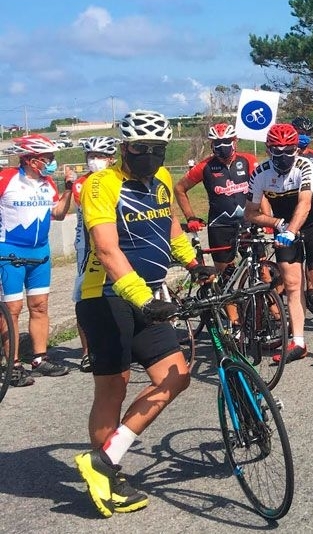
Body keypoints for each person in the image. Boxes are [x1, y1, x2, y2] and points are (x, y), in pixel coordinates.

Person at [73, 110, 215, 517]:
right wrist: (142, 296)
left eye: (157, 149)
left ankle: (102, 459)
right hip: (105, 297)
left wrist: (191, 261)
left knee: (177, 375)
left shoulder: (162, 180)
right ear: (124, 146)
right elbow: (106, 248)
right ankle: (107, 475)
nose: (149, 156)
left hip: (148, 295)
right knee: (113, 386)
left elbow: (168, 226)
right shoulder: (102, 184)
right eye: (140, 148)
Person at [246, 123, 313, 365]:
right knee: (291, 284)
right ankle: (298, 341)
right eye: (278, 151)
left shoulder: (304, 165)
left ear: (296, 149)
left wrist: (290, 230)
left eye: (290, 150)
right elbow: (251, 213)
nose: (284, 156)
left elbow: (305, 204)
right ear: (269, 150)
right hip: (284, 226)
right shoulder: (260, 173)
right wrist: (277, 223)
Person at [0, 133, 74, 383]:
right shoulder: (6, 178)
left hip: (40, 253)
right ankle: (12, 364)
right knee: (12, 309)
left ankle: (39, 359)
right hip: (10, 252)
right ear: (32, 160)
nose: (52, 162)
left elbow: (59, 214)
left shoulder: (48, 183)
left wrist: (68, 189)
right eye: (48, 158)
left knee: (40, 306)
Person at [175, 122, 257, 280]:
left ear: (235, 141)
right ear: (212, 144)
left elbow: (261, 191)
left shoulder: (248, 160)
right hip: (220, 226)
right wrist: (190, 217)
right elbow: (179, 188)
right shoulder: (204, 166)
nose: (222, 146)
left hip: (248, 223)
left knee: (262, 271)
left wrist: (265, 218)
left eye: (227, 141)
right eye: (217, 143)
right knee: (226, 277)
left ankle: (268, 305)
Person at [71, 136, 120, 374]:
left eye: (100, 156)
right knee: (84, 297)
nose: (95, 161)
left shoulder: (120, 180)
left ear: (111, 159)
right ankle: (86, 352)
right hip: (87, 247)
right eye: (91, 156)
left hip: (117, 242)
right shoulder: (81, 184)